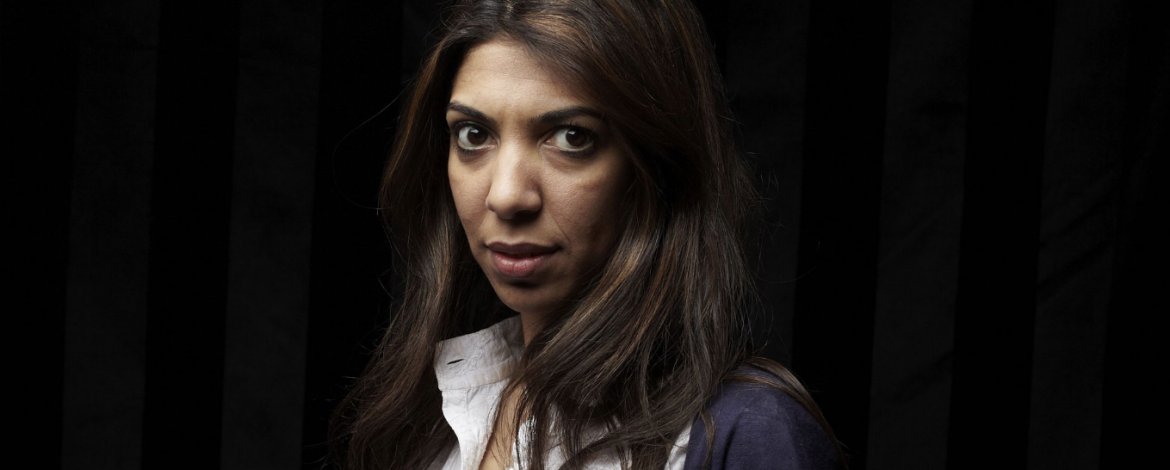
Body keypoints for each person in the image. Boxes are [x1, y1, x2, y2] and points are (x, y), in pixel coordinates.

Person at [330, 0, 844, 469]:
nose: (506, 196)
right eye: (474, 134)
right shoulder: (430, 415)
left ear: (657, 167)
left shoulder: (748, 436)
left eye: (571, 137)